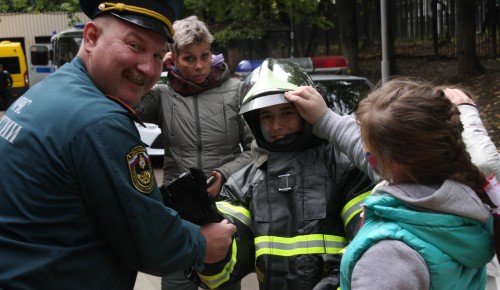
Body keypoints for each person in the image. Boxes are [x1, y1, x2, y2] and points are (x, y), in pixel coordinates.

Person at [0, 1, 236, 289]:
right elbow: (150, 242)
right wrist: (202, 243)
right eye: (135, 46)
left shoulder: (51, 90)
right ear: (91, 38)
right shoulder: (99, 120)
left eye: (158, 55)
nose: (147, 68)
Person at [284, 78, 495, 289]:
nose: (362, 145)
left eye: (366, 140)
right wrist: (325, 119)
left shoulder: (389, 254)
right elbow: (486, 163)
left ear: (387, 162)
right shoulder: (467, 203)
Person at [193, 58, 374, 290]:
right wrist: (206, 241)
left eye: (286, 113)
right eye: (266, 116)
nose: (276, 126)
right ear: (255, 123)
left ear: (305, 112)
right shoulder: (241, 185)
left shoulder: (347, 169)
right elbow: (223, 273)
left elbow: (367, 246)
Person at [135, 15, 253, 290]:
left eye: (205, 55)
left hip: (223, 205)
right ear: (173, 58)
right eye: (189, 58)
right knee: (176, 283)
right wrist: (154, 67)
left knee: (223, 281)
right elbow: (128, 104)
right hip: (177, 209)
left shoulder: (235, 91)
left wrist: (224, 175)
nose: (200, 66)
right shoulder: (163, 96)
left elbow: (256, 150)